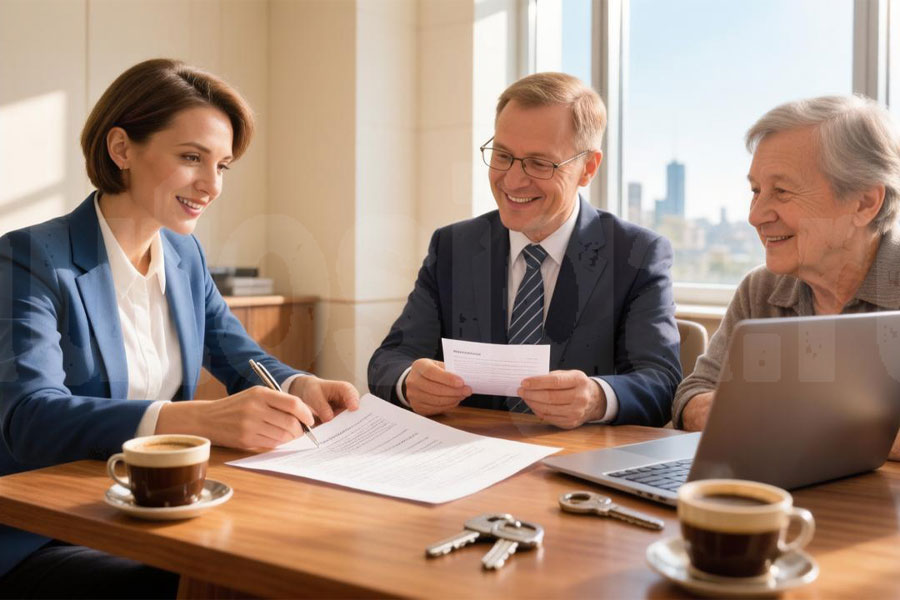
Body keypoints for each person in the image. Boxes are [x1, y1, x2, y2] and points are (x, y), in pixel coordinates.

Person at [0, 58, 359, 597]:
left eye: (223, 165)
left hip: (154, 512)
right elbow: (30, 418)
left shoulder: (183, 254)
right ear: (122, 149)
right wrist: (195, 420)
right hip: (44, 532)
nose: (211, 185)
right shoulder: (28, 259)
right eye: (192, 157)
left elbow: (237, 355)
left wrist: (297, 385)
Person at [368, 72, 681, 429]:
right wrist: (410, 382)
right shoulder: (453, 246)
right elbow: (387, 361)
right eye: (502, 155)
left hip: (574, 464)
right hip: (462, 459)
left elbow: (662, 383)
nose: (513, 180)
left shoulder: (637, 254)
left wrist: (595, 398)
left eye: (539, 163)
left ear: (588, 168)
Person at [673, 94, 900, 460]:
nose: (756, 215)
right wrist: (719, 410)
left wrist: (793, 422)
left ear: (864, 203)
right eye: (756, 191)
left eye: (781, 191)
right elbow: (693, 394)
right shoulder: (761, 290)